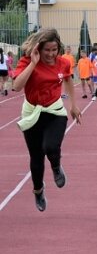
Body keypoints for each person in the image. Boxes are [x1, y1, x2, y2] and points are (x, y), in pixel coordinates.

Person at [12, 28, 81, 212]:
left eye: (54, 50)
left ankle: (56, 166)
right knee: (36, 157)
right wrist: (33, 63)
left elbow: (68, 81)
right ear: (38, 48)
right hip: (32, 112)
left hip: (54, 110)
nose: (51, 54)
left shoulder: (63, 63)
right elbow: (17, 87)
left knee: (50, 147)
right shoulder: (27, 61)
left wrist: (73, 105)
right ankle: (38, 190)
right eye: (46, 50)